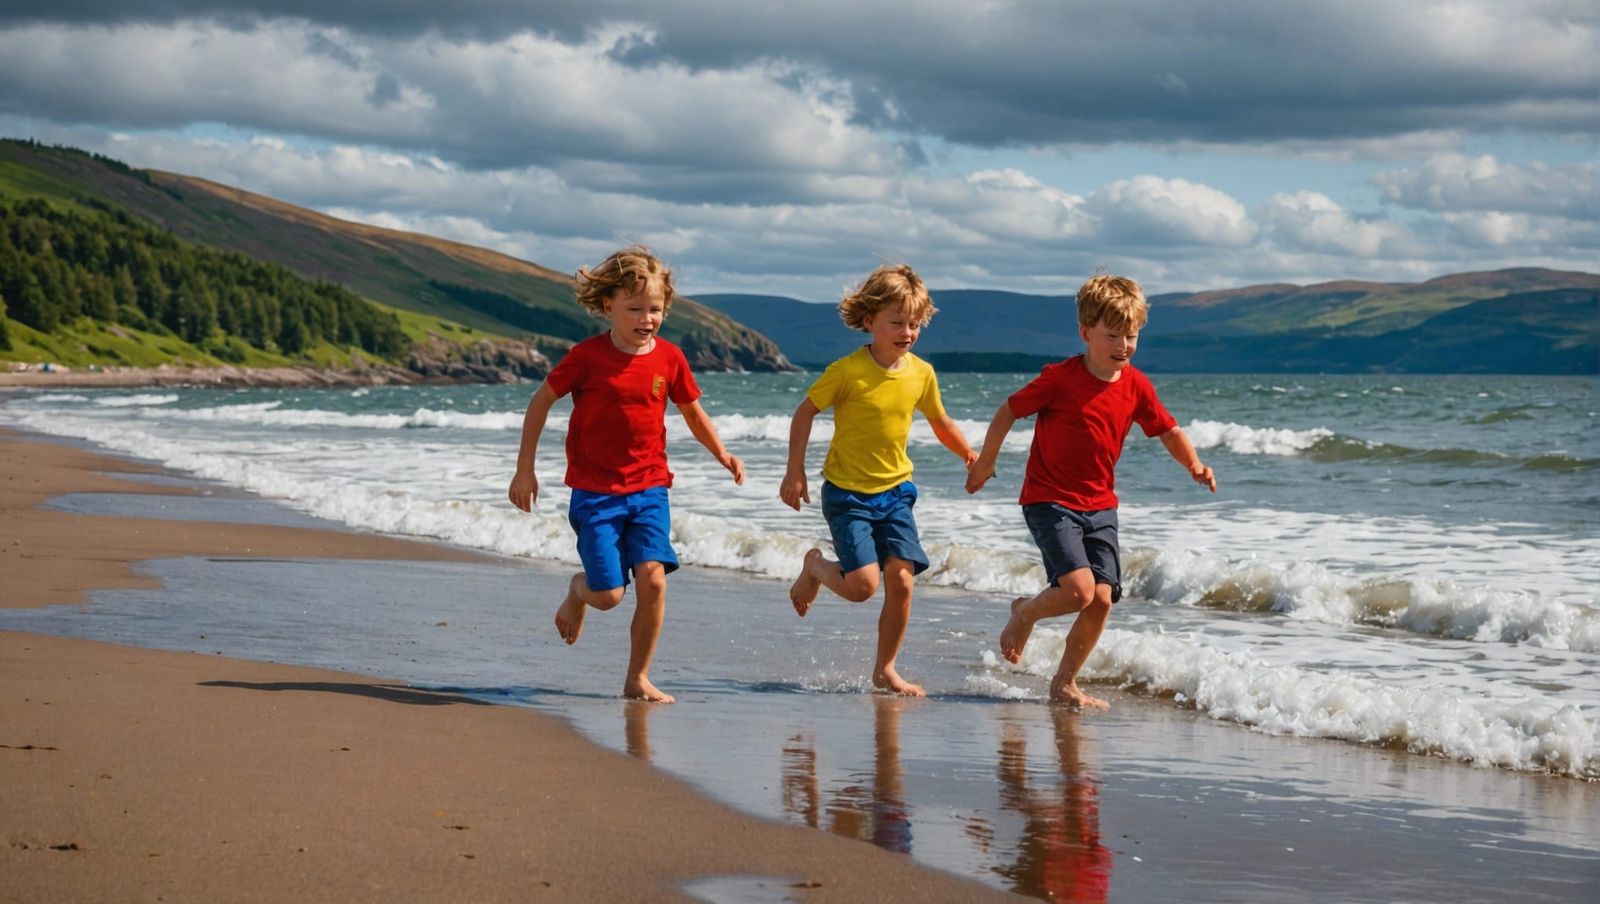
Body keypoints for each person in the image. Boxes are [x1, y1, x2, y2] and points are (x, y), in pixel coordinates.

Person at [965, 274, 1215, 708]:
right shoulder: (1060, 379)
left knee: (1101, 599)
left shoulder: (1136, 385)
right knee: (1078, 590)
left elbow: (1168, 429)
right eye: (1112, 335)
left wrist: (1193, 463)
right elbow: (1008, 410)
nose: (1123, 345)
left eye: (1131, 335)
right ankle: (1023, 612)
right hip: (1049, 499)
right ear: (1086, 333)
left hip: (1100, 506)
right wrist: (986, 461)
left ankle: (1064, 683)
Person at [508, 245, 744, 704]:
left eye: (655, 309)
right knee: (609, 594)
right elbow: (539, 404)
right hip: (595, 494)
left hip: (651, 488)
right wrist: (525, 471)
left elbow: (692, 413)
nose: (646, 319)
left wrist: (724, 454)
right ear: (607, 306)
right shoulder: (586, 357)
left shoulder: (670, 358)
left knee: (654, 578)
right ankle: (577, 592)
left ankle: (638, 677)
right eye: (635, 309)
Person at [781, 264, 978, 697]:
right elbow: (804, 413)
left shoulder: (921, 373)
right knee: (862, 588)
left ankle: (885, 669)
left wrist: (968, 453)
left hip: (895, 494)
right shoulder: (847, 371)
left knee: (902, 580)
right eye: (897, 322)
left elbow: (939, 419)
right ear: (869, 321)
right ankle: (814, 566)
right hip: (848, 494)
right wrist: (795, 470)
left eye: (914, 323)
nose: (907, 331)